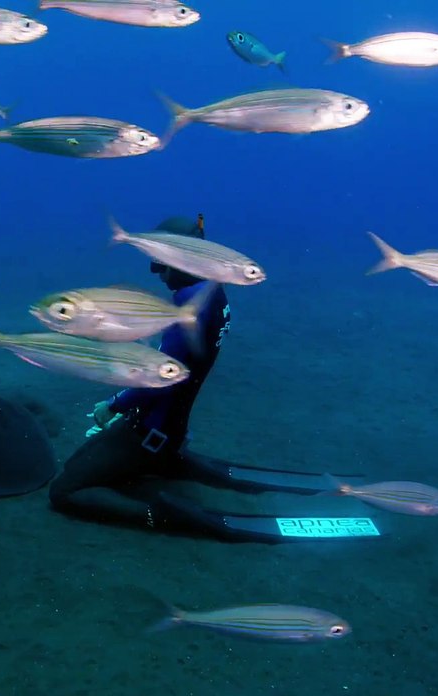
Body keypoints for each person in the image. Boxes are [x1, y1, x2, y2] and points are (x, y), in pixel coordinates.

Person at [48, 214, 378, 543]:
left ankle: (163, 513)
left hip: (149, 435)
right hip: (169, 431)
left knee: (65, 490)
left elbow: (159, 375)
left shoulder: (187, 309)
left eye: (162, 261)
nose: (157, 271)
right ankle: (174, 463)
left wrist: (114, 405)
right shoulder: (213, 294)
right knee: (84, 458)